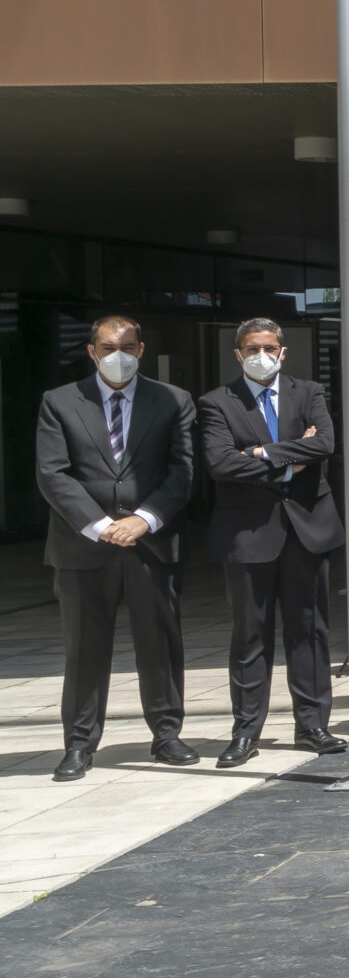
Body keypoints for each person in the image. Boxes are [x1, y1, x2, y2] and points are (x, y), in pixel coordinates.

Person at [37, 315, 197, 781]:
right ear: (92, 352)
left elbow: (183, 470)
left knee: (160, 643)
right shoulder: (59, 402)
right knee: (84, 648)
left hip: (151, 543)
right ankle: (79, 743)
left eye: (127, 347)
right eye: (108, 348)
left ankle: (166, 734)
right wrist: (103, 525)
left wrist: (143, 520)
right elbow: (52, 473)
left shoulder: (173, 400)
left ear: (142, 349)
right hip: (84, 546)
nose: (118, 356)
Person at [200, 317, 343, 768]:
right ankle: (246, 732)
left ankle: (313, 726)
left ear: (282, 351)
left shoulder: (309, 392)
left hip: (307, 527)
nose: (261, 355)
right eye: (251, 348)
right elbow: (221, 464)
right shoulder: (216, 402)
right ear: (237, 354)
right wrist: (290, 461)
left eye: (268, 347)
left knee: (310, 630)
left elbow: (325, 444)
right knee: (249, 634)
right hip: (247, 533)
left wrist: (261, 453)